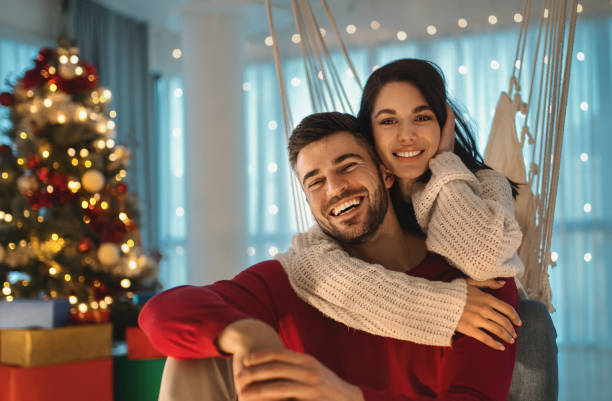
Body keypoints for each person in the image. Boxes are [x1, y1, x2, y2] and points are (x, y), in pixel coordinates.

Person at [139, 112, 518, 400]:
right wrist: (247, 335)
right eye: (316, 182)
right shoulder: (294, 277)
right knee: (194, 358)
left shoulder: (470, 283)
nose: (335, 188)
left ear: (386, 173)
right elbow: (162, 312)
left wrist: (348, 396)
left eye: (348, 166)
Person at [279, 58, 525, 349]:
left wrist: (446, 163)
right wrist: (446, 308)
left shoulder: (485, 184)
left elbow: (483, 260)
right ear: (370, 133)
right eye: (388, 121)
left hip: (497, 342)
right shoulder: (366, 197)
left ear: (443, 123)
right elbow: (313, 266)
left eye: (422, 118)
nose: (406, 136)